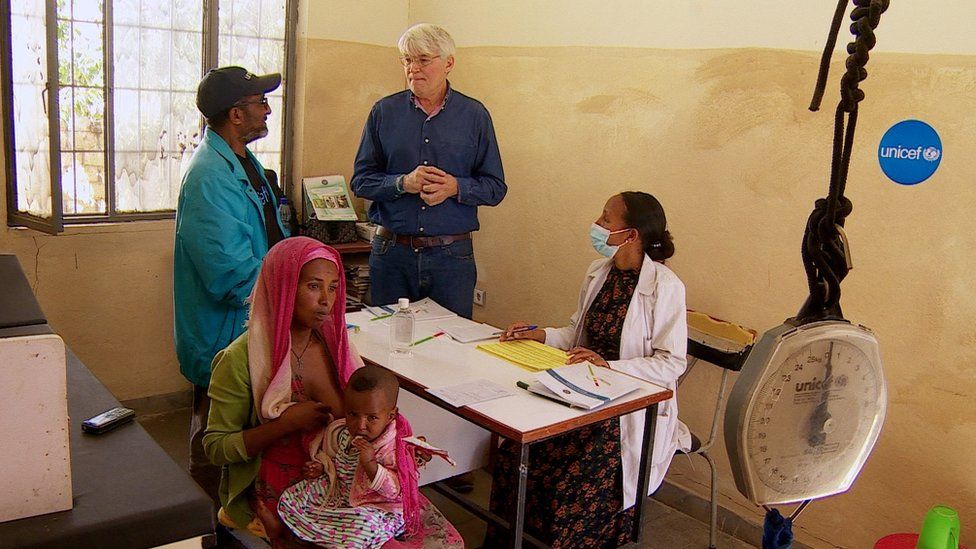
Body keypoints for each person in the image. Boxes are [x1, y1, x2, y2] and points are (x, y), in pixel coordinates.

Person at [486, 192, 691, 547]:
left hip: (620, 409)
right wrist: (539, 334)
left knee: (566, 480)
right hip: (579, 392)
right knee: (514, 455)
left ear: (631, 235)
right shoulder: (599, 272)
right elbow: (575, 333)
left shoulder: (665, 287)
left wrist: (608, 365)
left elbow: (671, 362)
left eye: (606, 219)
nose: (597, 224)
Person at [174, 65, 289, 501]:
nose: (267, 111)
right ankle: (205, 522)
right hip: (226, 329)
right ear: (235, 114)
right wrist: (287, 289)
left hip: (251, 322)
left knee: (240, 429)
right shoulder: (209, 175)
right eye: (260, 103)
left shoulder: (243, 160)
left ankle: (237, 511)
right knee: (214, 435)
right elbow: (227, 273)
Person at [203, 237, 363, 546]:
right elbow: (216, 447)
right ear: (283, 287)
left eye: (333, 287)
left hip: (337, 478)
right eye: (313, 286)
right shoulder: (239, 359)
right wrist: (285, 425)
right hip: (277, 490)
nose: (326, 301)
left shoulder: (338, 349)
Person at [351, 23, 507, 319]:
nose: (413, 69)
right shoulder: (383, 112)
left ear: (448, 63)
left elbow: (495, 187)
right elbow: (361, 181)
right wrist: (402, 183)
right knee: (385, 345)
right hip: (392, 253)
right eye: (407, 60)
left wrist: (455, 187)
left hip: (451, 258)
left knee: (447, 351)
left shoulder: (475, 116)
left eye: (423, 59)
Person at [277, 365, 422, 547]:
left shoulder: (393, 449)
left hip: (379, 507)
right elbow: (336, 461)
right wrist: (323, 467)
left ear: (391, 415)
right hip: (344, 493)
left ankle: (369, 540)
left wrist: (371, 465)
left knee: (363, 524)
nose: (360, 425)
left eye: (371, 418)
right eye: (353, 414)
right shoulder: (345, 433)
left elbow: (397, 491)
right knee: (296, 496)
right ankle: (325, 532)